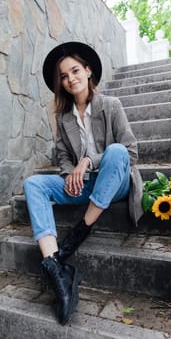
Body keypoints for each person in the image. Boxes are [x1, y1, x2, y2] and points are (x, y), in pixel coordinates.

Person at [24, 41, 143, 325]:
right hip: (84, 188)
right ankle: (56, 267)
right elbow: (63, 157)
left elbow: (131, 151)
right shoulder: (63, 118)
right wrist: (69, 177)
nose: (70, 79)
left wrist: (89, 161)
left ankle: (78, 235)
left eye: (75, 71)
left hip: (114, 182)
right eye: (63, 76)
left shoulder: (111, 105)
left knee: (115, 151)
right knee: (33, 184)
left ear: (88, 71)